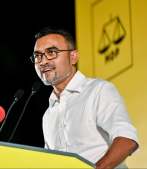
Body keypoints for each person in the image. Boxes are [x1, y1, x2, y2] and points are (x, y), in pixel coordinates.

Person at [31, 26, 139, 169]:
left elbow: (127, 139)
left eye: (51, 52)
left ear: (73, 57)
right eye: (38, 56)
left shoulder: (98, 90)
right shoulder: (48, 115)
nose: (43, 62)